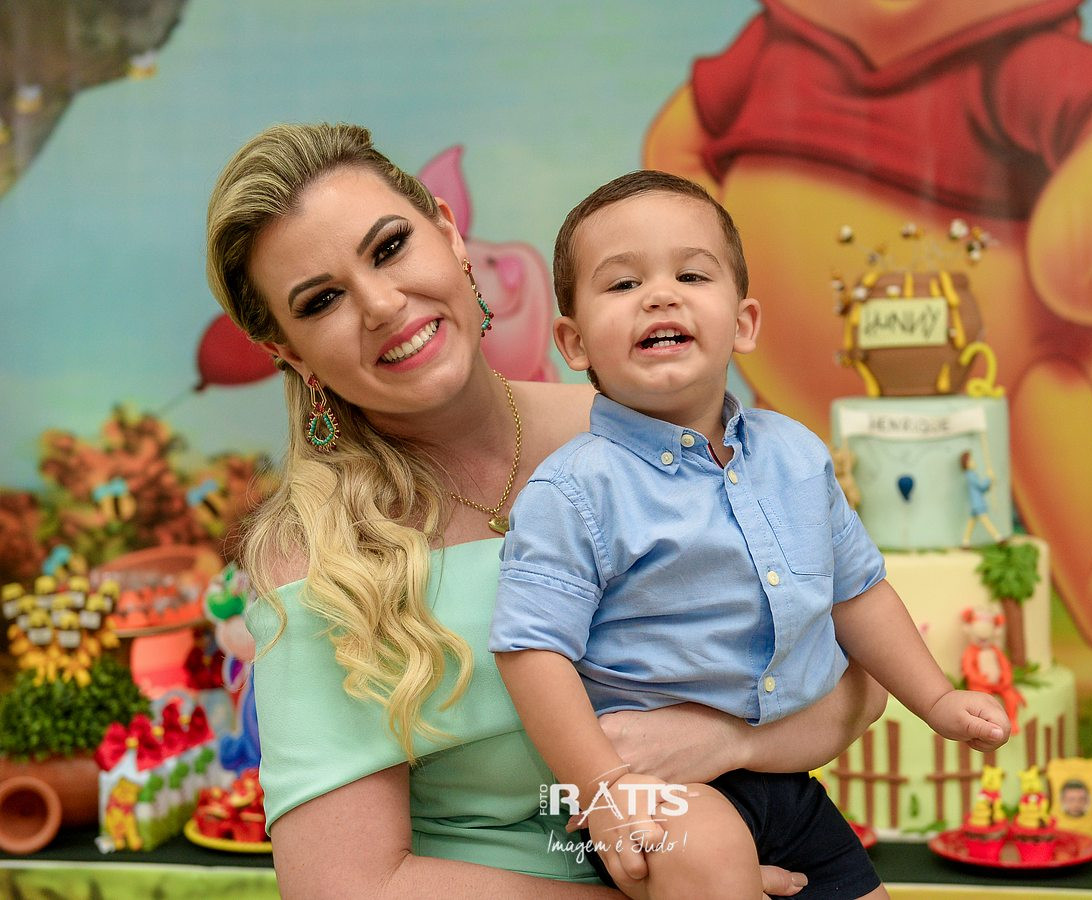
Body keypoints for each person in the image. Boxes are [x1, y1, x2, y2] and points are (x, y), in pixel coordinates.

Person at [204, 123, 889, 897]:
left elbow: (857, 681)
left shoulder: (653, 433)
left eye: (390, 247)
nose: (381, 304)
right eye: (322, 299)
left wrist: (730, 743)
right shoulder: (315, 560)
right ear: (291, 353)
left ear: (449, 234)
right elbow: (345, 887)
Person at [490, 171, 1011, 899]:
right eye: (623, 283)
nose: (660, 296)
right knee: (708, 864)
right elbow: (531, 650)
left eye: (691, 275)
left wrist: (936, 700)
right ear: (574, 343)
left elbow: (858, 593)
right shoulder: (576, 488)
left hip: (785, 778)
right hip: (654, 789)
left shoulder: (795, 456)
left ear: (743, 323)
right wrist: (601, 787)